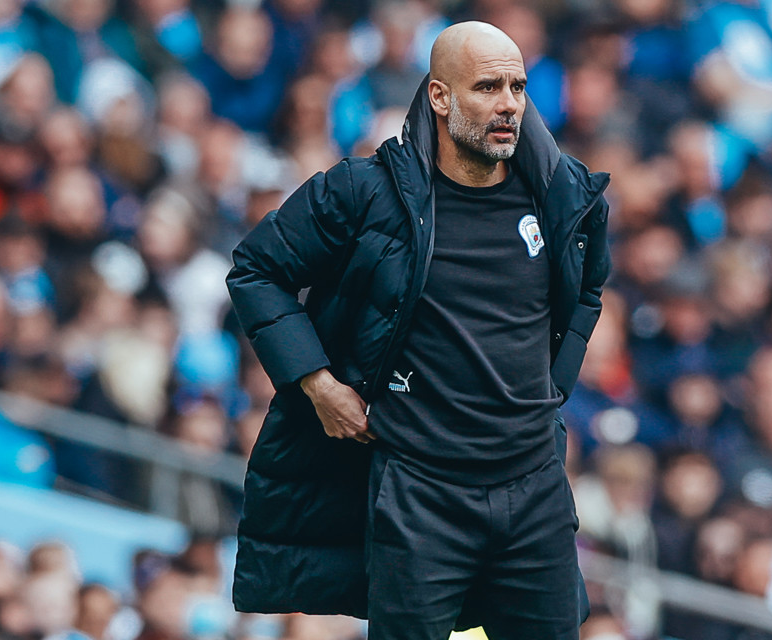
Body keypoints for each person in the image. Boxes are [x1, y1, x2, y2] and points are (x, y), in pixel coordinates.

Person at [227, 21, 611, 640]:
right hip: (419, 490)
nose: (509, 104)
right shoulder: (365, 191)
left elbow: (587, 292)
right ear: (440, 96)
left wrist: (554, 389)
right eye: (487, 87)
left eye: (517, 87)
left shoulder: (562, 196)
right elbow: (256, 270)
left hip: (534, 484)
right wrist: (318, 385)